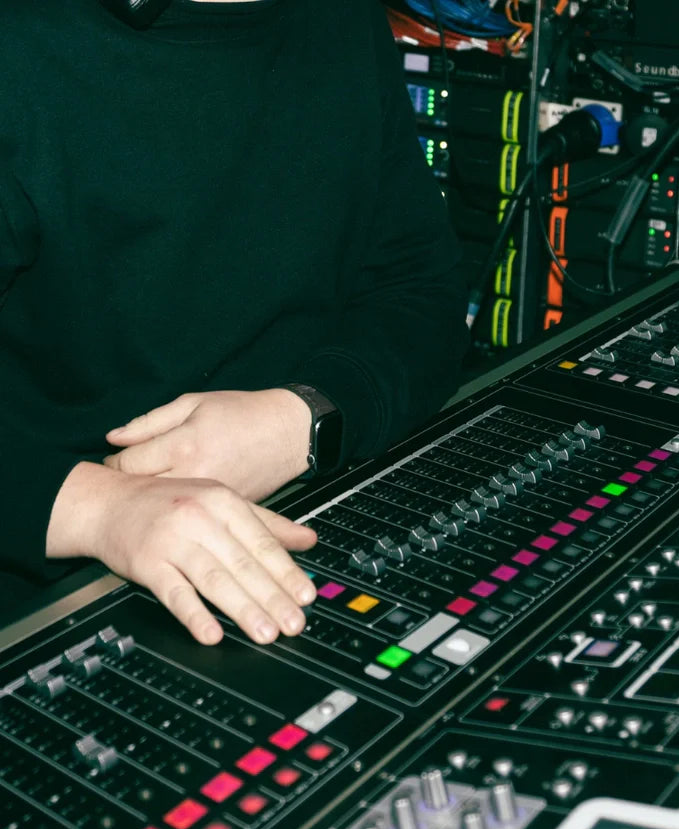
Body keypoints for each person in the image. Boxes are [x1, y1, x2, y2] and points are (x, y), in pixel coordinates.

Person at [0, 0, 468, 643]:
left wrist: (302, 418)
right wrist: (100, 510)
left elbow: (422, 292)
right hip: (57, 588)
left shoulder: (343, 19)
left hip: (302, 528)